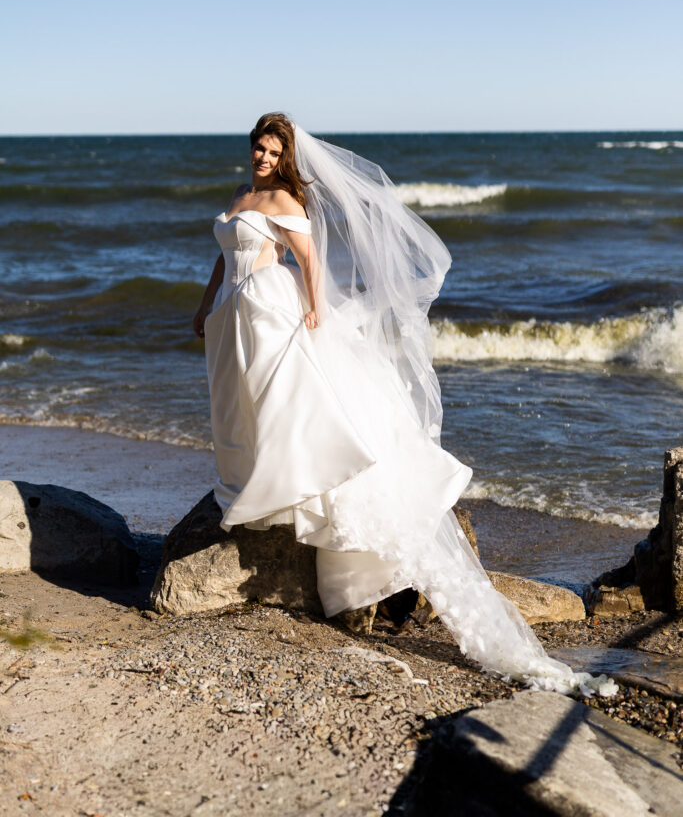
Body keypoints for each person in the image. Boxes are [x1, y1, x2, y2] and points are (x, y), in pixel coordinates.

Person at [194, 113, 615, 697]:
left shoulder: (287, 200)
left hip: (272, 307)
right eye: (256, 148)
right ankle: (264, 482)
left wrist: (315, 310)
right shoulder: (241, 195)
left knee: (286, 400)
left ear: (285, 155)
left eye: (270, 150)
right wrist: (206, 303)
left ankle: (293, 486)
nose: (261, 157)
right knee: (247, 400)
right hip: (236, 309)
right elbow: (224, 256)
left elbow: (309, 261)